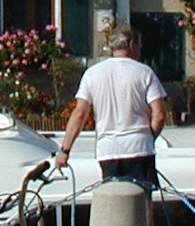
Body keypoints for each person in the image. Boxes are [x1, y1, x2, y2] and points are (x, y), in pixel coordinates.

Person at [53, 24, 169, 187]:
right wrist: (148, 138)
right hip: (139, 148)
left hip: (108, 151)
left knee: (115, 201)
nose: (140, 48)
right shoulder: (145, 72)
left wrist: (65, 151)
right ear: (130, 44)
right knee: (141, 204)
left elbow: (80, 114)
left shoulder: (92, 73)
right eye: (139, 44)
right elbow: (159, 115)